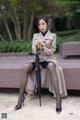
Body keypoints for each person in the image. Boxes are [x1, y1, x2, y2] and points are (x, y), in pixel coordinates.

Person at [14, 16, 67, 113]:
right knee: (25, 67)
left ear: (47, 24)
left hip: (49, 59)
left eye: (43, 24)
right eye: (39, 24)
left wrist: (43, 48)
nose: (41, 26)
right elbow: (33, 50)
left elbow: (52, 51)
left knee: (51, 66)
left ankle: (58, 99)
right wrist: (37, 48)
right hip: (38, 59)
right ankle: (21, 98)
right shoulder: (35, 36)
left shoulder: (53, 36)